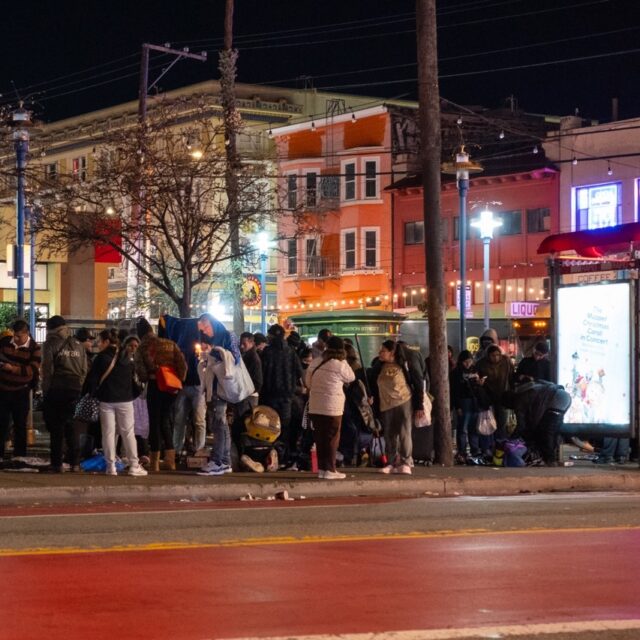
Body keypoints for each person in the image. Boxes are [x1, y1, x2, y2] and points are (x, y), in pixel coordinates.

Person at [85, 329, 147, 476]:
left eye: (100, 341)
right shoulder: (126, 356)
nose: (98, 344)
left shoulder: (100, 358)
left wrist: (94, 394)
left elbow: (92, 380)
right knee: (128, 433)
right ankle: (133, 465)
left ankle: (110, 467)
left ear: (107, 342)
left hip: (106, 400)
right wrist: (133, 394)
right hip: (125, 400)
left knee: (108, 433)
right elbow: (134, 380)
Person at [134, 317, 187, 472]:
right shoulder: (169, 344)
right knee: (165, 421)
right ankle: (170, 461)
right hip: (172, 389)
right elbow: (182, 364)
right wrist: (177, 380)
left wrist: (149, 376)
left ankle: (155, 462)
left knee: (155, 423)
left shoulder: (143, 346)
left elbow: (141, 371)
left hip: (155, 385)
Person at [369, 340, 425, 475]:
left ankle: (406, 462)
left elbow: (418, 382)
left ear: (392, 352)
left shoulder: (405, 364)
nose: (380, 353)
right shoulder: (379, 365)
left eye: (383, 351)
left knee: (404, 432)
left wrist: (419, 405)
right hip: (385, 404)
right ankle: (391, 462)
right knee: (389, 434)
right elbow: (371, 379)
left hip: (403, 401)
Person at [41, 315, 88, 472]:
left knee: (56, 428)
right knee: (72, 427)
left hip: (57, 389)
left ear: (50, 329)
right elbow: (84, 370)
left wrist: (46, 391)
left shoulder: (50, 343)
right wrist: (78, 386)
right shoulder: (78, 344)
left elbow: (47, 370)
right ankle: (75, 463)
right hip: (74, 389)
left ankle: (57, 463)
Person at [197, 313, 241, 476]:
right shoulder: (217, 339)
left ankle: (218, 461)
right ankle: (224, 461)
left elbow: (235, 358)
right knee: (220, 424)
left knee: (219, 423)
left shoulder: (227, 336)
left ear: (212, 324)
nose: (206, 332)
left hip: (221, 386)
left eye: (206, 327)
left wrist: (214, 354)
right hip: (215, 386)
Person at [305, 336, 355, 479]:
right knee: (332, 438)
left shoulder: (316, 362)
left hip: (315, 406)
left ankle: (322, 469)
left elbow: (308, 382)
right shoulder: (340, 365)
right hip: (332, 408)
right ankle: (331, 470)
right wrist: (344, 360)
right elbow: (351, 377)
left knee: (320, 438)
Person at [259, 323, 303, 467]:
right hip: (286, 397)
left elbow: (262, 374)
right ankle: (284, 458)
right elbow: (299, 372)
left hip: (269, 396)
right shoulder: (291, 352)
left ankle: (270, 457)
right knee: (285, 427)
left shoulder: (267, 352)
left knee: (269, 428)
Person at [0, 320, 41, 463]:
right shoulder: (5, 342)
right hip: (3, 389)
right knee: (2, 423)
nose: (15, 339)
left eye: (19, 336)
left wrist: (13, 369)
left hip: (21, 391)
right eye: (14, 336)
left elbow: (31, 370)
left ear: (27, 333)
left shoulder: (34, 348)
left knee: (20, 424)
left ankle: (19, 455)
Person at [450, 350, 490, 464]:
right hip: (463, 402)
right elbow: (454, 391)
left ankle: (475, 450)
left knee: (474, 428)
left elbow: (480, 387)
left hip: (474, 402)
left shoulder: (475, 370)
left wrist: (480, 382)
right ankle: (462, 452)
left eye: (469, 361)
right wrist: (457, 407)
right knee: (462, 428)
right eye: (465, 362)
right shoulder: (456, 373)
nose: (468, 364)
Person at [476, 344, 514, 441]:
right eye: (493, 355)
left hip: (503, 395)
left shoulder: (506, 361)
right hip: (488, 396)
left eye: (498, 355)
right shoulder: (481, 364)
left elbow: (511, 377)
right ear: (488, 355)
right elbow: (477, 379)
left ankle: (501, 443)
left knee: (502, 421)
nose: (496, 357)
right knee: (489, 422)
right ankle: (490, 444)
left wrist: (512, 392)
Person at [240, 331, 263, 408]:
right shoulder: (244, 355)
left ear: (251, 343)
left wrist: (247, 391)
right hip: (245, 394)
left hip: (249, 397)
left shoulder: (254, 359)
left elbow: (258, 382)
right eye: (241, 343)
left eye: (244, 344)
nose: (241, 346)